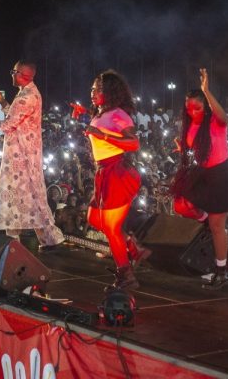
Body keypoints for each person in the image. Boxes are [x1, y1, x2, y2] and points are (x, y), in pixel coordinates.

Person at [0, 61, 64, 249]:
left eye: (14, 71)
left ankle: (16, 244)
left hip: (20, 156)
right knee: (30, 196)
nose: (11, 75)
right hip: (23, 153)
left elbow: (7, 125)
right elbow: (15, 116)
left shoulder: (26, 97)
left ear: (23, 74)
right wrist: (2, 101)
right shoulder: (27, 93)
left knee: (15, 196)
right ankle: (46, 240)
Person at [171, 68, 228, 289]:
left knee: (217, 227)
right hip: (202, 174)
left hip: (222, 176)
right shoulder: (189, 127)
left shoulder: (215, 123)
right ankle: (205, 215)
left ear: (205, 107)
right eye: (188, 107)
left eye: (197, 106)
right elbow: (195, 149)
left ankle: (221, 270)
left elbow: (224, 117)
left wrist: (206, 90)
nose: (192, 110)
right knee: (180, 204)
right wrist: (182, 150)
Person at [82, 70, 142, 291]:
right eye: (92, 88)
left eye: (96, 88)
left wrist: (102, 135)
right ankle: (132, 246)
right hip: (103, 171)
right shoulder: (100, 113)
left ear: (109, 91)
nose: (92, 92)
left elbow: (134, 144)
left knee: (111, 227)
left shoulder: (119, 114)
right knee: (94, 218)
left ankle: (126, 276)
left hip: (117, 171)